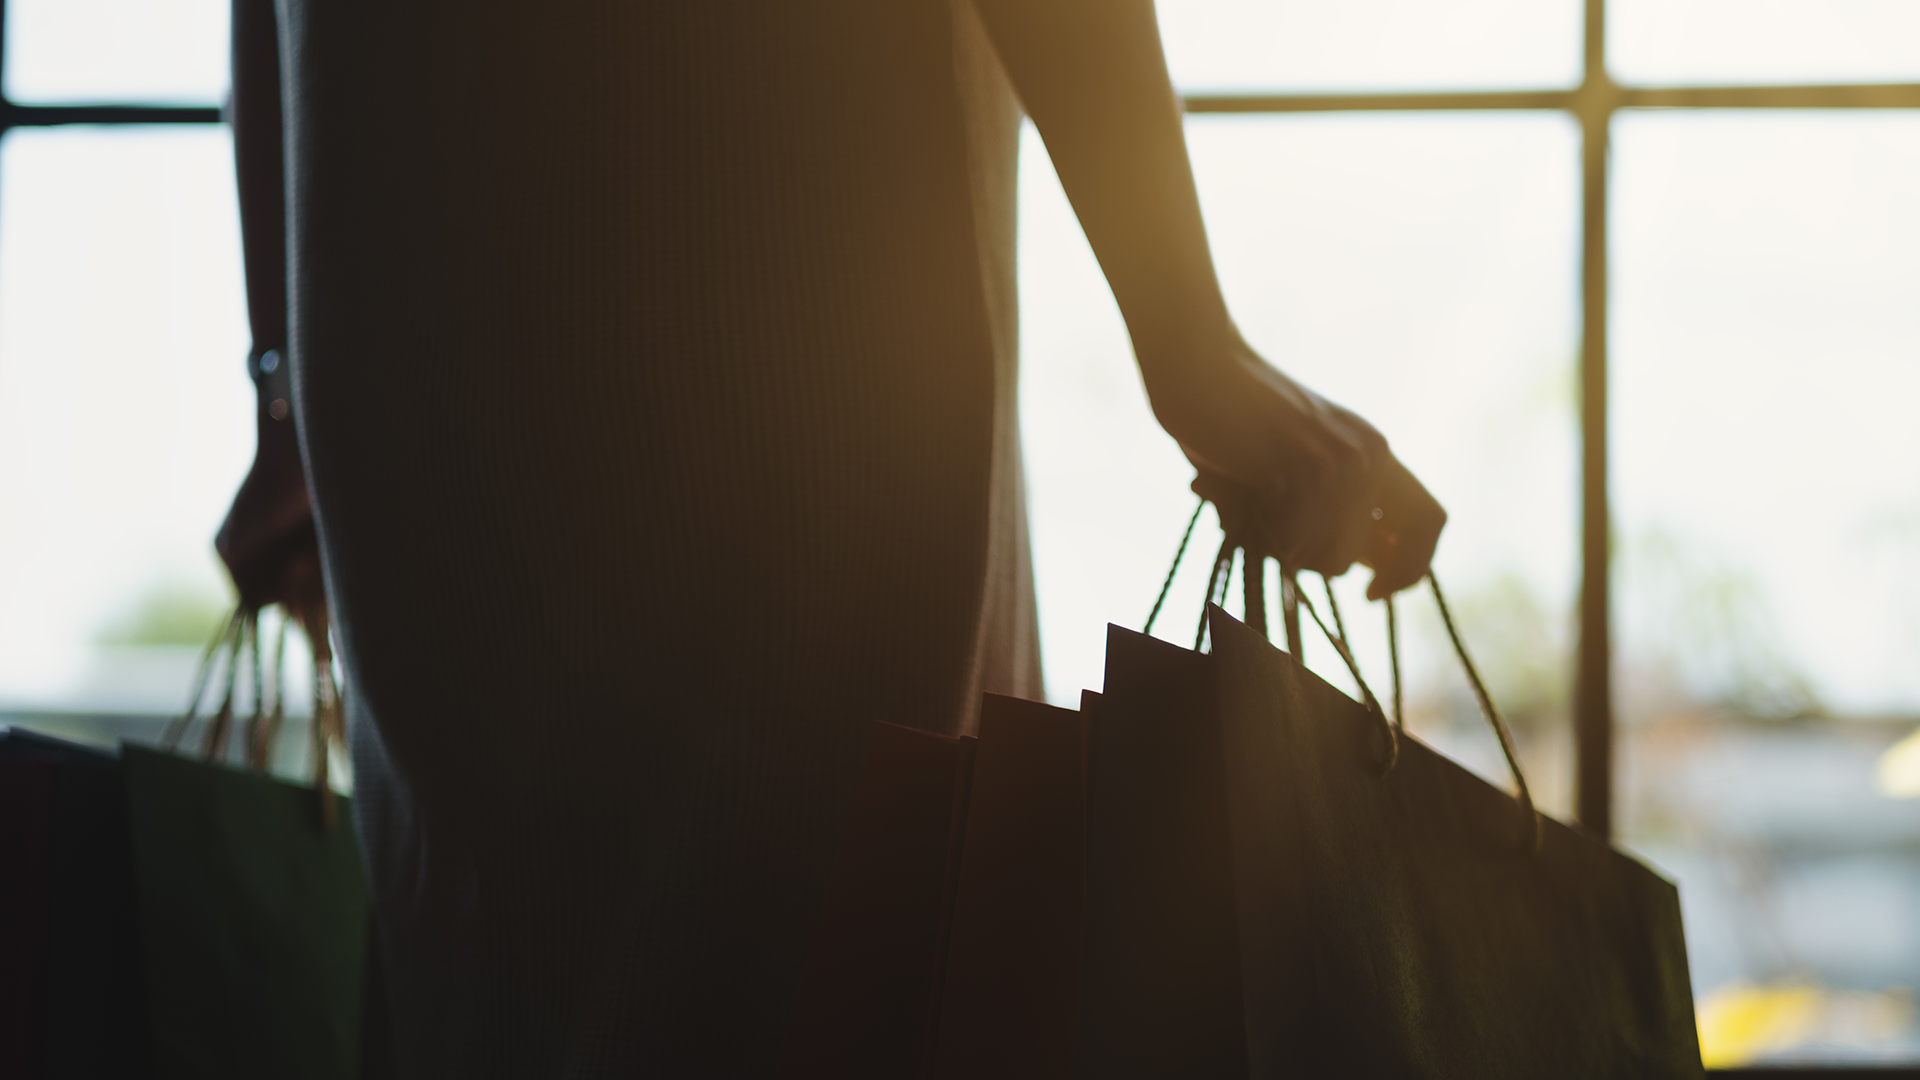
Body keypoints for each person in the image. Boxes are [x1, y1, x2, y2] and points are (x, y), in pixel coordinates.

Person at [216, 0, 1446, 1074]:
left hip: (411, 283)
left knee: (520, 981)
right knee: (838, 952)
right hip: (783, 241)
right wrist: (1187, 333)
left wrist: (288, 387)